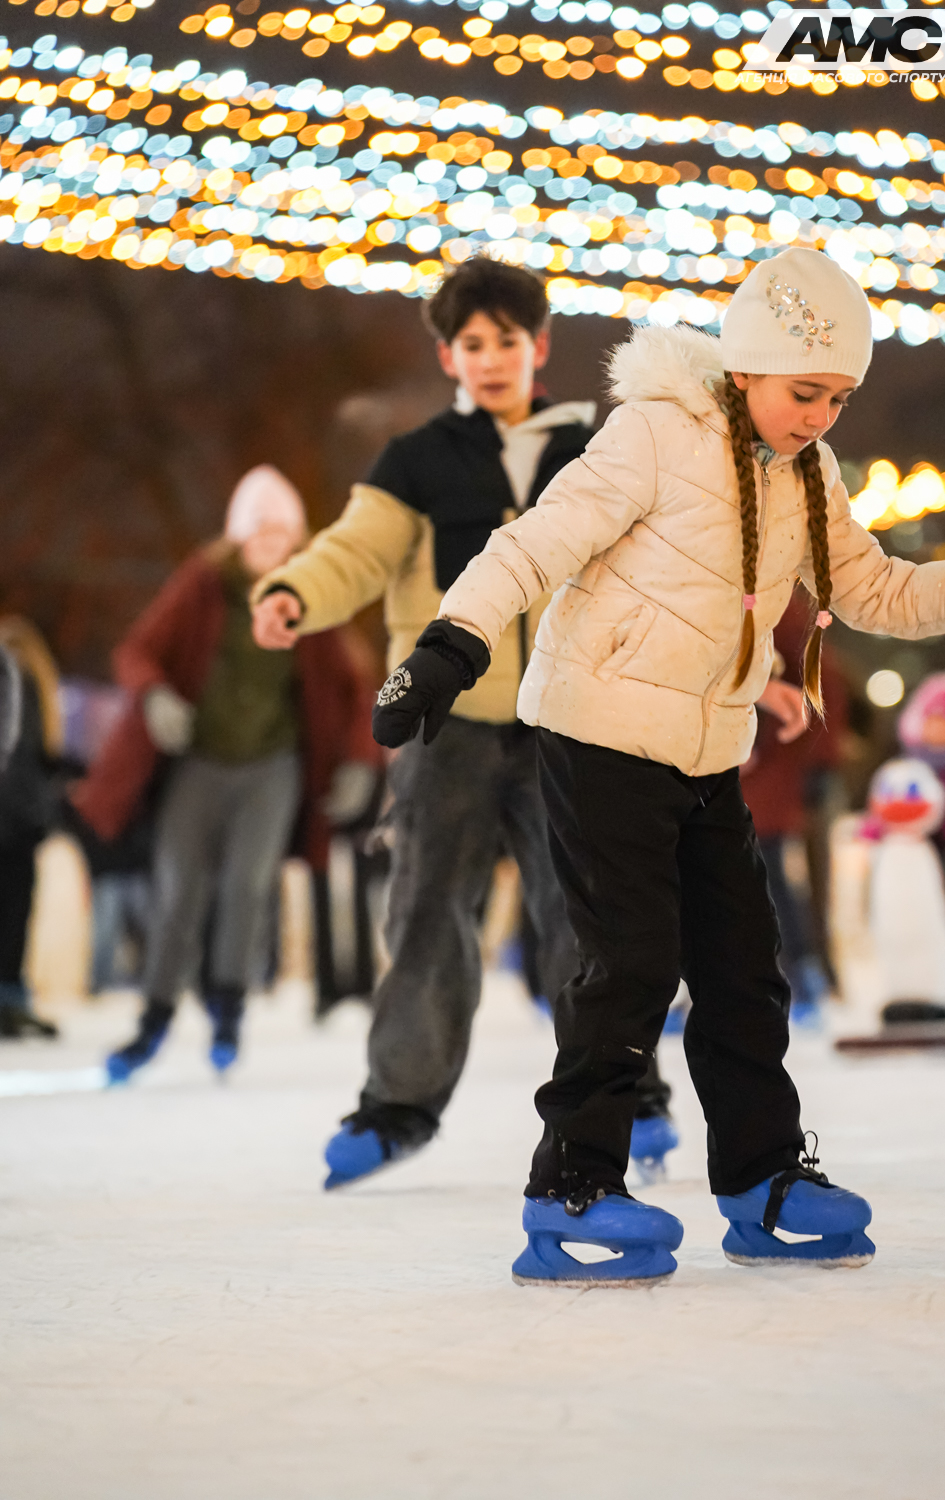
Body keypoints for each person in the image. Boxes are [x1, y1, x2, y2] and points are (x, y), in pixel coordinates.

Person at [370, 248, 945, 1286]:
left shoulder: (807, 473)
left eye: (838, 398)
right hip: (598, 733)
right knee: (629, 965)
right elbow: (535, 544)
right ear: (746, 367)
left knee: (745, 969)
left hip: (705, 751)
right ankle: (572, 1184)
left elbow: (871, 589)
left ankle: (761, 1177)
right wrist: (450, 645)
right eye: (804, 392)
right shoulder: (654, 433)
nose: (821, 417)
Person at [252, 257, 677, 1187]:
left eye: (507, 341)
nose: (490, 359)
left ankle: (630, 1093)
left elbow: (672, 566)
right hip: (447, 728)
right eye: (471, 343)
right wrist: (293, 592)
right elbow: (354, 553)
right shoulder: (416, 459)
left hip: (572, 719)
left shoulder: (600, 449)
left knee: (585, 919)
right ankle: (398, 1104)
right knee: (426, 911)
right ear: (448, 356)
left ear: (541, 347)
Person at [71, 466, 379, 1082]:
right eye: (260, 531)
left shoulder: (308, 590)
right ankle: (153, 1020)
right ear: (238, 535)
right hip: (199, 761)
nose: (271, 543)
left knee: (247, 885)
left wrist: (358, 761)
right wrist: (155, 696)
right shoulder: (203, 584)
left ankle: (229, 1012)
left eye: (282, 533)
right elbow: (137, 652)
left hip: (272, 767)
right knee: (179, 888)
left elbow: (353, 685)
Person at [740, 586, 847, 1023]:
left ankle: (801, 978)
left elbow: (823, 680)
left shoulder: (778, 606)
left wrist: (820, 762)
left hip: (769, 769)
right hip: (748, 768)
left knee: (771, 879)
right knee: (759, 879)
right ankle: (795, 978)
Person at [0, 617, 66, 1039]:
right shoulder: (39, 689)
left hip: (14, 815)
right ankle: (10, 997)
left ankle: (9, 998)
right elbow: (45, 756)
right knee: (16, 912)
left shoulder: (19, 685)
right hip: (24, 819)